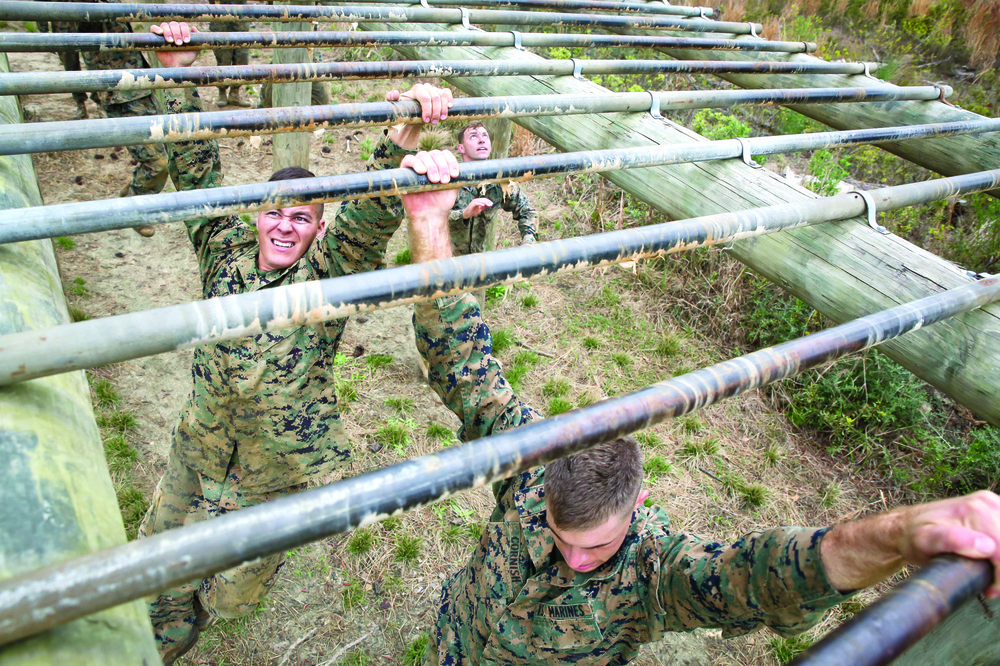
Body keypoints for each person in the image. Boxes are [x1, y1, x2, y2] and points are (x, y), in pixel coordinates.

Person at [394, 149, 1000, 666]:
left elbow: (767, 576)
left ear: (636, 505)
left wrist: (897, 534)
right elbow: (460, 356)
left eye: (597, 547)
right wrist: (427, 217)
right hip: (454, 641)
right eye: (562, 536)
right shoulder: (531, 462)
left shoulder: (652, 572)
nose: (576, 561)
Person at [137, 22, 455, 665]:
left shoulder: (326, 276)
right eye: (275, 211)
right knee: (158, 563)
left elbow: (368, 214)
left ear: (317, 230)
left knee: (230, 599)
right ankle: (161, 635)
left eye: (302, 218)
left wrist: (406, 133)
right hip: (198, 447)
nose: (284, 225)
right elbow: (193, 163)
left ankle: (202, 610)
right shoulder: (222, 250)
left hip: (275, 471)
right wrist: (175, 68)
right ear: (257, 214)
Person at [74, 4, 222, 237]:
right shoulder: (88, 8)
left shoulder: (108, 6)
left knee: (167, 149)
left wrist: (175, 66)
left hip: (139, 86)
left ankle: (133, 196)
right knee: (158, 162)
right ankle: (134, 206)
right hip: (119, 93)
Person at [448, 122, 538, 256]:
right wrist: (463, 214)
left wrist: (528, 243)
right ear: (461, 148)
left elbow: (527, 211)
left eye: (485, 135)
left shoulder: (498, 180)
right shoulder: (449, 177)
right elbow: (430, 220)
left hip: (480, 262)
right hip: (444, 263)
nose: (481, 140)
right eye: (473, 136)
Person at [208, 0, 252, 107]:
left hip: (240, 11)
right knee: (223, 56)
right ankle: (222, 93)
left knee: (242, 56)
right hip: (220, 10)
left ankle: (235, 93)